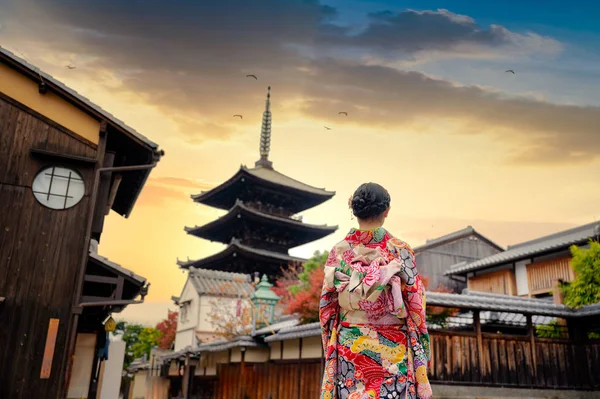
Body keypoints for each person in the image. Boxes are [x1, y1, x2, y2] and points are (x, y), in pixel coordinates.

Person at [319, 182, 432, 399]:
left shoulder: (339, 251)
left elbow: (326, 306)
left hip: (350, 345)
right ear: (386, 211)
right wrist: (420, 337)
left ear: (354, 210)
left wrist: (330, 338)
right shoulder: (400, 250)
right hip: (393, 346)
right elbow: (416, 303)